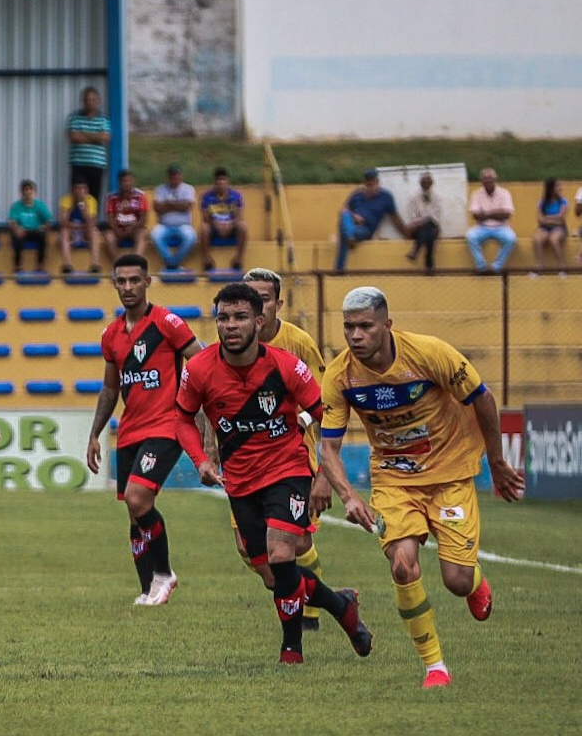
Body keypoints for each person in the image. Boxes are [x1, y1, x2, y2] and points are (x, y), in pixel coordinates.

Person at [319, 286, 525, 688]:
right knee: (402, 564)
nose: (356, 335)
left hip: (449, 474)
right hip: (395, 480)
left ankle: (475, 582)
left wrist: (497, 462)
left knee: (457, 581)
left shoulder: (430, 354)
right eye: (348, 327)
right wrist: (348, 494)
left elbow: (482, 399)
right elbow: (328, 447)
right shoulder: (340, 375)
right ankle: (435, 667)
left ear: (387, 325)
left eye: (365, 326)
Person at [175, 282, 373, 664]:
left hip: (287, 469)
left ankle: (291, 650)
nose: (230, 325)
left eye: (240, 317)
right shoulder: (199, 369)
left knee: (282, 554)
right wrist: (200, 459)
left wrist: (322, 476)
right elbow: (183, 418)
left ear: (260, 320)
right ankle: (341, 605)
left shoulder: (286, 365)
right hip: (239, 479)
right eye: (223, 318)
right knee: (272, 576)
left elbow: (326, 417)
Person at [86, 254, 205, 605]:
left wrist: (197, 415)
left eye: (134, 280)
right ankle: (147, 589)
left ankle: (165, 574)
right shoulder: (111, 335)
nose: (127, 287)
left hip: (167, 425)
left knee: (139, 499)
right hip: (130, 430)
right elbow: (110, 388)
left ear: (147, 282)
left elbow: (201, 363)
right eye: (121, 281)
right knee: (133, 509)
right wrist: (95, 434)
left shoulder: (167, 322)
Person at [243, 268, 331, 631]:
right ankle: (327, 596)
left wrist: (323, 471)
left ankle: (307, 616)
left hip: (292, 456)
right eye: (249, 298)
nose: (256, 305)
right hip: (245, 461)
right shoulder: (232, 342)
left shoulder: (298, 343)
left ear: (278, 303)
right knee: (252, 552)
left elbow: (326, 404)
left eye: (263, 298)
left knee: (294, 542)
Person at [335, 169, 405, 272]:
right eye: (368, 182)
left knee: (344, 232)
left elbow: (395, 217)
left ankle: (339, 268)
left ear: (377, 182)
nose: (370, 184)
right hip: (352, 223)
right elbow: (344, 209)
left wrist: (406, 233)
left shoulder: (386, 197)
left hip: (366, 228)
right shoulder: (357, 194)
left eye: (372, 182)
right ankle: (350, 238)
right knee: (345, 219)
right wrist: (355, 217)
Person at [65, 84, 111, 203]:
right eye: (87, 100)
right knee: (76, 198)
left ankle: (92, 221)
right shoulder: (74, 118)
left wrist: (84, 133)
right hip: (78, 165)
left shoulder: (104, 119)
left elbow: (105, 138)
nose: (90, 102)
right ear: (83, 101)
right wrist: (95, 136)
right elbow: (74, 137)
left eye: (93, 99)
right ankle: (76, 220)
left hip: (96, 165)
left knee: (94, 199)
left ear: (98, 101)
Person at [465, 168, 516, 274]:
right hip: (482, 227)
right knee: (470, 236)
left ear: (495, 179)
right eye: (485, 179)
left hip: (501, 227)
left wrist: (486, 214)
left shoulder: (504, 193)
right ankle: (481, 267)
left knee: (511, 238)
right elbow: (476, 216)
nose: (488, 181)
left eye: (490, 179)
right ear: (482, 181)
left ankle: (496, 267)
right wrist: (496, 213)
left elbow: (506, 215)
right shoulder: (476, 194)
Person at [198, 167, 247, 272]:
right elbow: (205, 216)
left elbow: (239, 215)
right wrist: (216, 225)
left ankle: (238, 259)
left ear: (228, 182)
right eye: (219, 180)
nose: (221, 183)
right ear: (215, 182)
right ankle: (207, 260)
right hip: (214, 227)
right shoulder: (206, 197)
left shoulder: (236, 196)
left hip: (231, 226)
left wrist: (231, 224)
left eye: (224, 180)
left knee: (243, 226)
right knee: (203, 228)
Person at [98, 169, 149, 268]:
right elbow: (110, 218)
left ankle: (135, 264)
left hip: (135, 228)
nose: (126, 184)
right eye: (124, 181)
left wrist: (132, 228)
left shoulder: (140, 196)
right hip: (117, 229)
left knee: (143, 234)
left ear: (133, 181)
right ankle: (120, 265)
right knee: (108, 236)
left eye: (129, 181)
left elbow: (143, 219)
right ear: (119, 183)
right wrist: (117, 230)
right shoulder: (111, 197)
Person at [150, 164, 197, 271]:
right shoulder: (160, 189)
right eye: (172, 175)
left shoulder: (188, 188)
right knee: (155, 235)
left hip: (184, 225)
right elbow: (157, 208)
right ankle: (173, 263)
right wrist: (178, 205)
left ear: (181, 176)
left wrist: (167, 204)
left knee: (191, 237)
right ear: (168, 176)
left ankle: (172, 264)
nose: (174, 177)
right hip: (163, 225)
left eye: (176, 174)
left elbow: (187, 207)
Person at [6, 179, 54, 272]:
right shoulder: (16, 206)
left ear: (34, 192)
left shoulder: (40, 205)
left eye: (29, 189)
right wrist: (17, 229)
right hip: (22, 231)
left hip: (36, 231)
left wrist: (44, 227)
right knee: (17, 238)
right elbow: (12, 221)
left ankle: (40, 265)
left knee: (43, 237)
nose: (27, 192)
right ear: (21, 192)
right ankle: (17, 266)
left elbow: (49, 220)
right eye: (25, 190)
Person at [403, 172, 443, 273]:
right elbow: (413, 217)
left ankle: (415, 251)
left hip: (431, 227)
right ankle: (429, 263)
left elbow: (435, 217)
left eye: (428, 182)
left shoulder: (437, 198)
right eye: (423, 182)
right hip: (417, 229)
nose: (426, 184)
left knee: (429, 226)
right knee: (428, 231)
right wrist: (422, 221)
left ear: (432, 183)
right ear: (420, 183)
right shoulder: (413, 197)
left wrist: (423, 220)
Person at [57, 179, 99, 273]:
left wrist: (84, 210)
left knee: (94, 232)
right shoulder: (66, 199)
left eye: (83, 188)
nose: (80, 191)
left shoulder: (91, 200)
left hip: (85, 231)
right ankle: (67, 265)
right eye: (78, 188)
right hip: (71, 231)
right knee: (64, 232)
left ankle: (95, 265)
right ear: (73, 190)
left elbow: (92, 222)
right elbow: (63, 222)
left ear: (87, 190)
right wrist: (72, 206)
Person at [532, 178, 567, 275]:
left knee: (553, 239)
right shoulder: (542, 201)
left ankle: (562, 267)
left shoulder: (563, 201)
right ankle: (540, 266)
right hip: (544, 227)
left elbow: (561, 218)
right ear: (551, 188)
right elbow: (540, 219)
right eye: (557, 186)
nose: (560, 188)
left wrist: (546, 218)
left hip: (559, 228)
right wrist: (553, 220)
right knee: (537, 238)